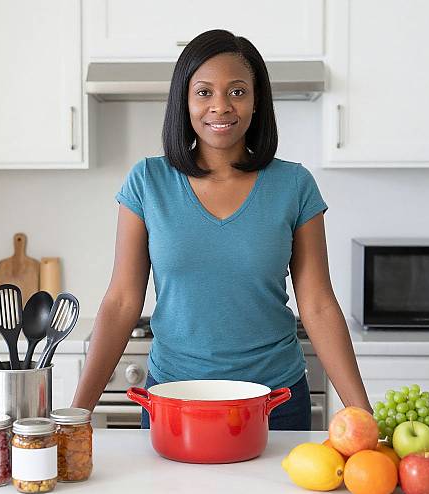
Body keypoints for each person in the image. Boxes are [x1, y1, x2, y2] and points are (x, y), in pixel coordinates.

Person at [72, 29, 372, 430]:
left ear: (256, 100)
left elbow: (317, 304)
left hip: (274, 402)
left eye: (236, 91)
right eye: (203, 92)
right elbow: (123, 302)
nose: (220, 107)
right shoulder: (148, 182)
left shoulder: (294, 186)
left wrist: (362, 415)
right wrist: (76, 415)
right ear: (184, 100)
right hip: (174, 402)